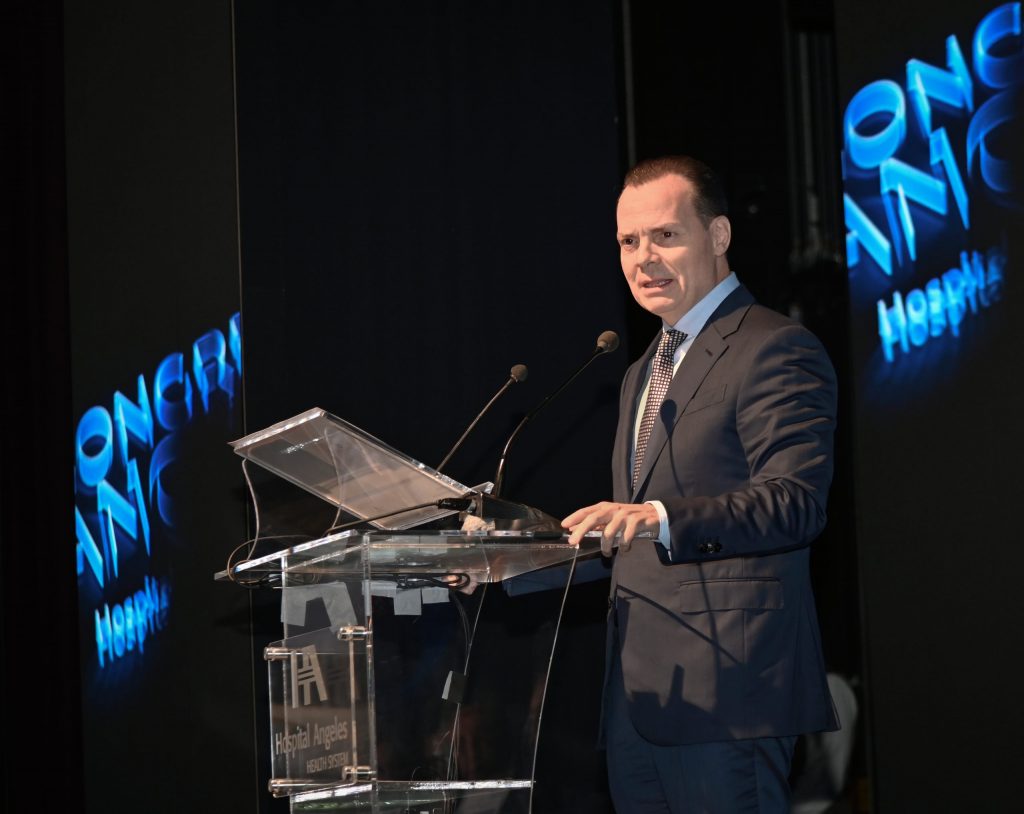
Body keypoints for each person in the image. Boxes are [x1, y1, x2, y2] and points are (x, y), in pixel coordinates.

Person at [562, 156, 838, 813]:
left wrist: (659, 515)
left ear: (717, 237)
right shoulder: (638, 375)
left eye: (665, 236)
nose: (643, 258)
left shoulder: (775, 347)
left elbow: (794, 502)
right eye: (629, 242)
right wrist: (496, 563)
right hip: (642, 699)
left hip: (728, 692)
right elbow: (624, 533)